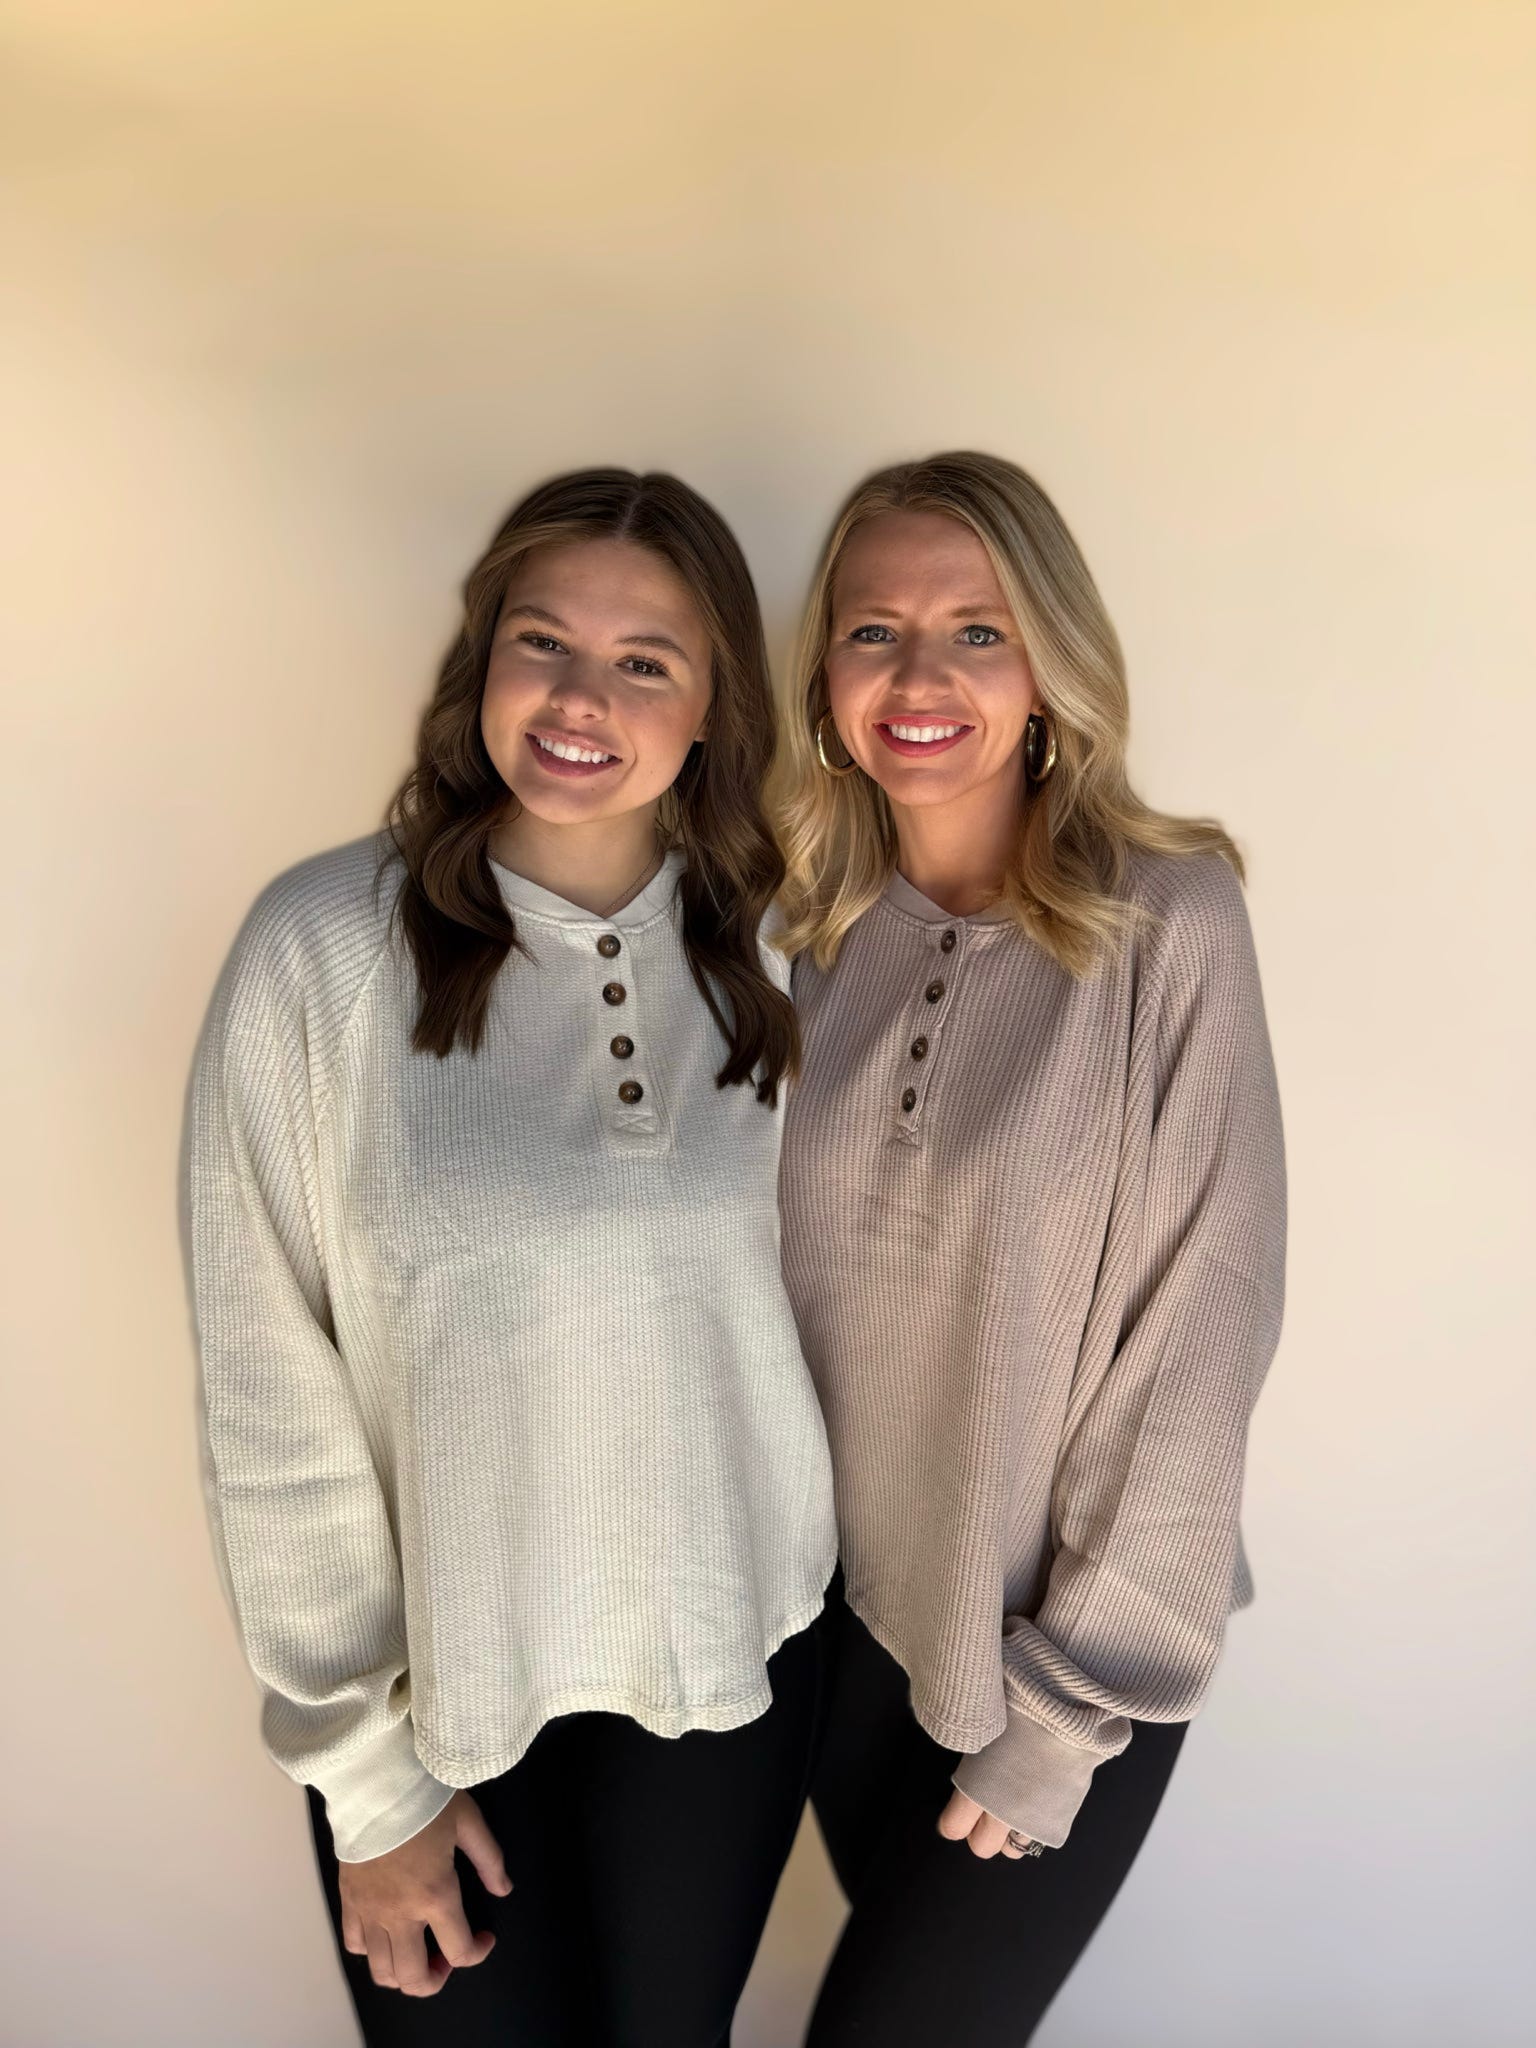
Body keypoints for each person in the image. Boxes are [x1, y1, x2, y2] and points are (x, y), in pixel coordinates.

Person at [179, 467, 838, 2046]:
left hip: (727, 1674)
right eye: (542, 641)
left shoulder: (782, 952)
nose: (578, 699)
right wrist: (367, 1786)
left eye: (644, 662)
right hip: (445, 1711)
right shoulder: (322, 949)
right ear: (481, 660)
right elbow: (269, 1394)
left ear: (711, 712)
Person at [771, 450, 1287, 2044]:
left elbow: (1208, 1323)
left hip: (1065, 1658)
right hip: (845, 1639)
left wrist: (1067, 1710)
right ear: (826, 678)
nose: (919, 677)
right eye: (875, 631)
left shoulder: (1168, 924)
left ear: (1052, 667)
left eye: (977, 631)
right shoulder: (801, 940)